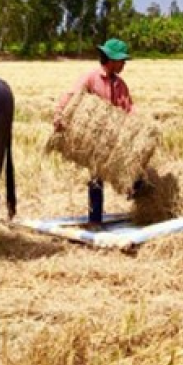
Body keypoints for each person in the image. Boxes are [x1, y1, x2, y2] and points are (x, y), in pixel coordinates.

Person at [53, 37, 133, 225]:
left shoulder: (120, 85)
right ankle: (95, 221)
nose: (123, 64)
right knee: (96, 178)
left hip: (114, 137)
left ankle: (143, 202)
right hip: (95, 138)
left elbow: (129, 108)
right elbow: (71, 96)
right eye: (121, 61)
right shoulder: (91, 78)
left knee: (133, 173)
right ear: (111, 59)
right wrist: (59, 115)